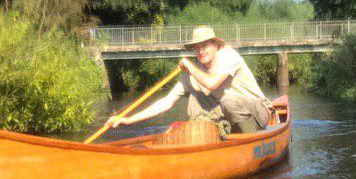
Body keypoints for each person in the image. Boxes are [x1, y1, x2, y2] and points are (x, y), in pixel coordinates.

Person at [110, 26, 272, 134]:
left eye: (205, 46)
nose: (200, 51)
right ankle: (214, 140)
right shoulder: (192, 75)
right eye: (196, 47)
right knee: (195, 98)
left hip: (259, 112)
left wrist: (190, 67)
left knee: (229, 100)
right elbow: (165, 103)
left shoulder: (229, 56)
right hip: (231, 116)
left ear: (216, 46)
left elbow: (212, 84)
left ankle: (249, 142)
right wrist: (128, 120)